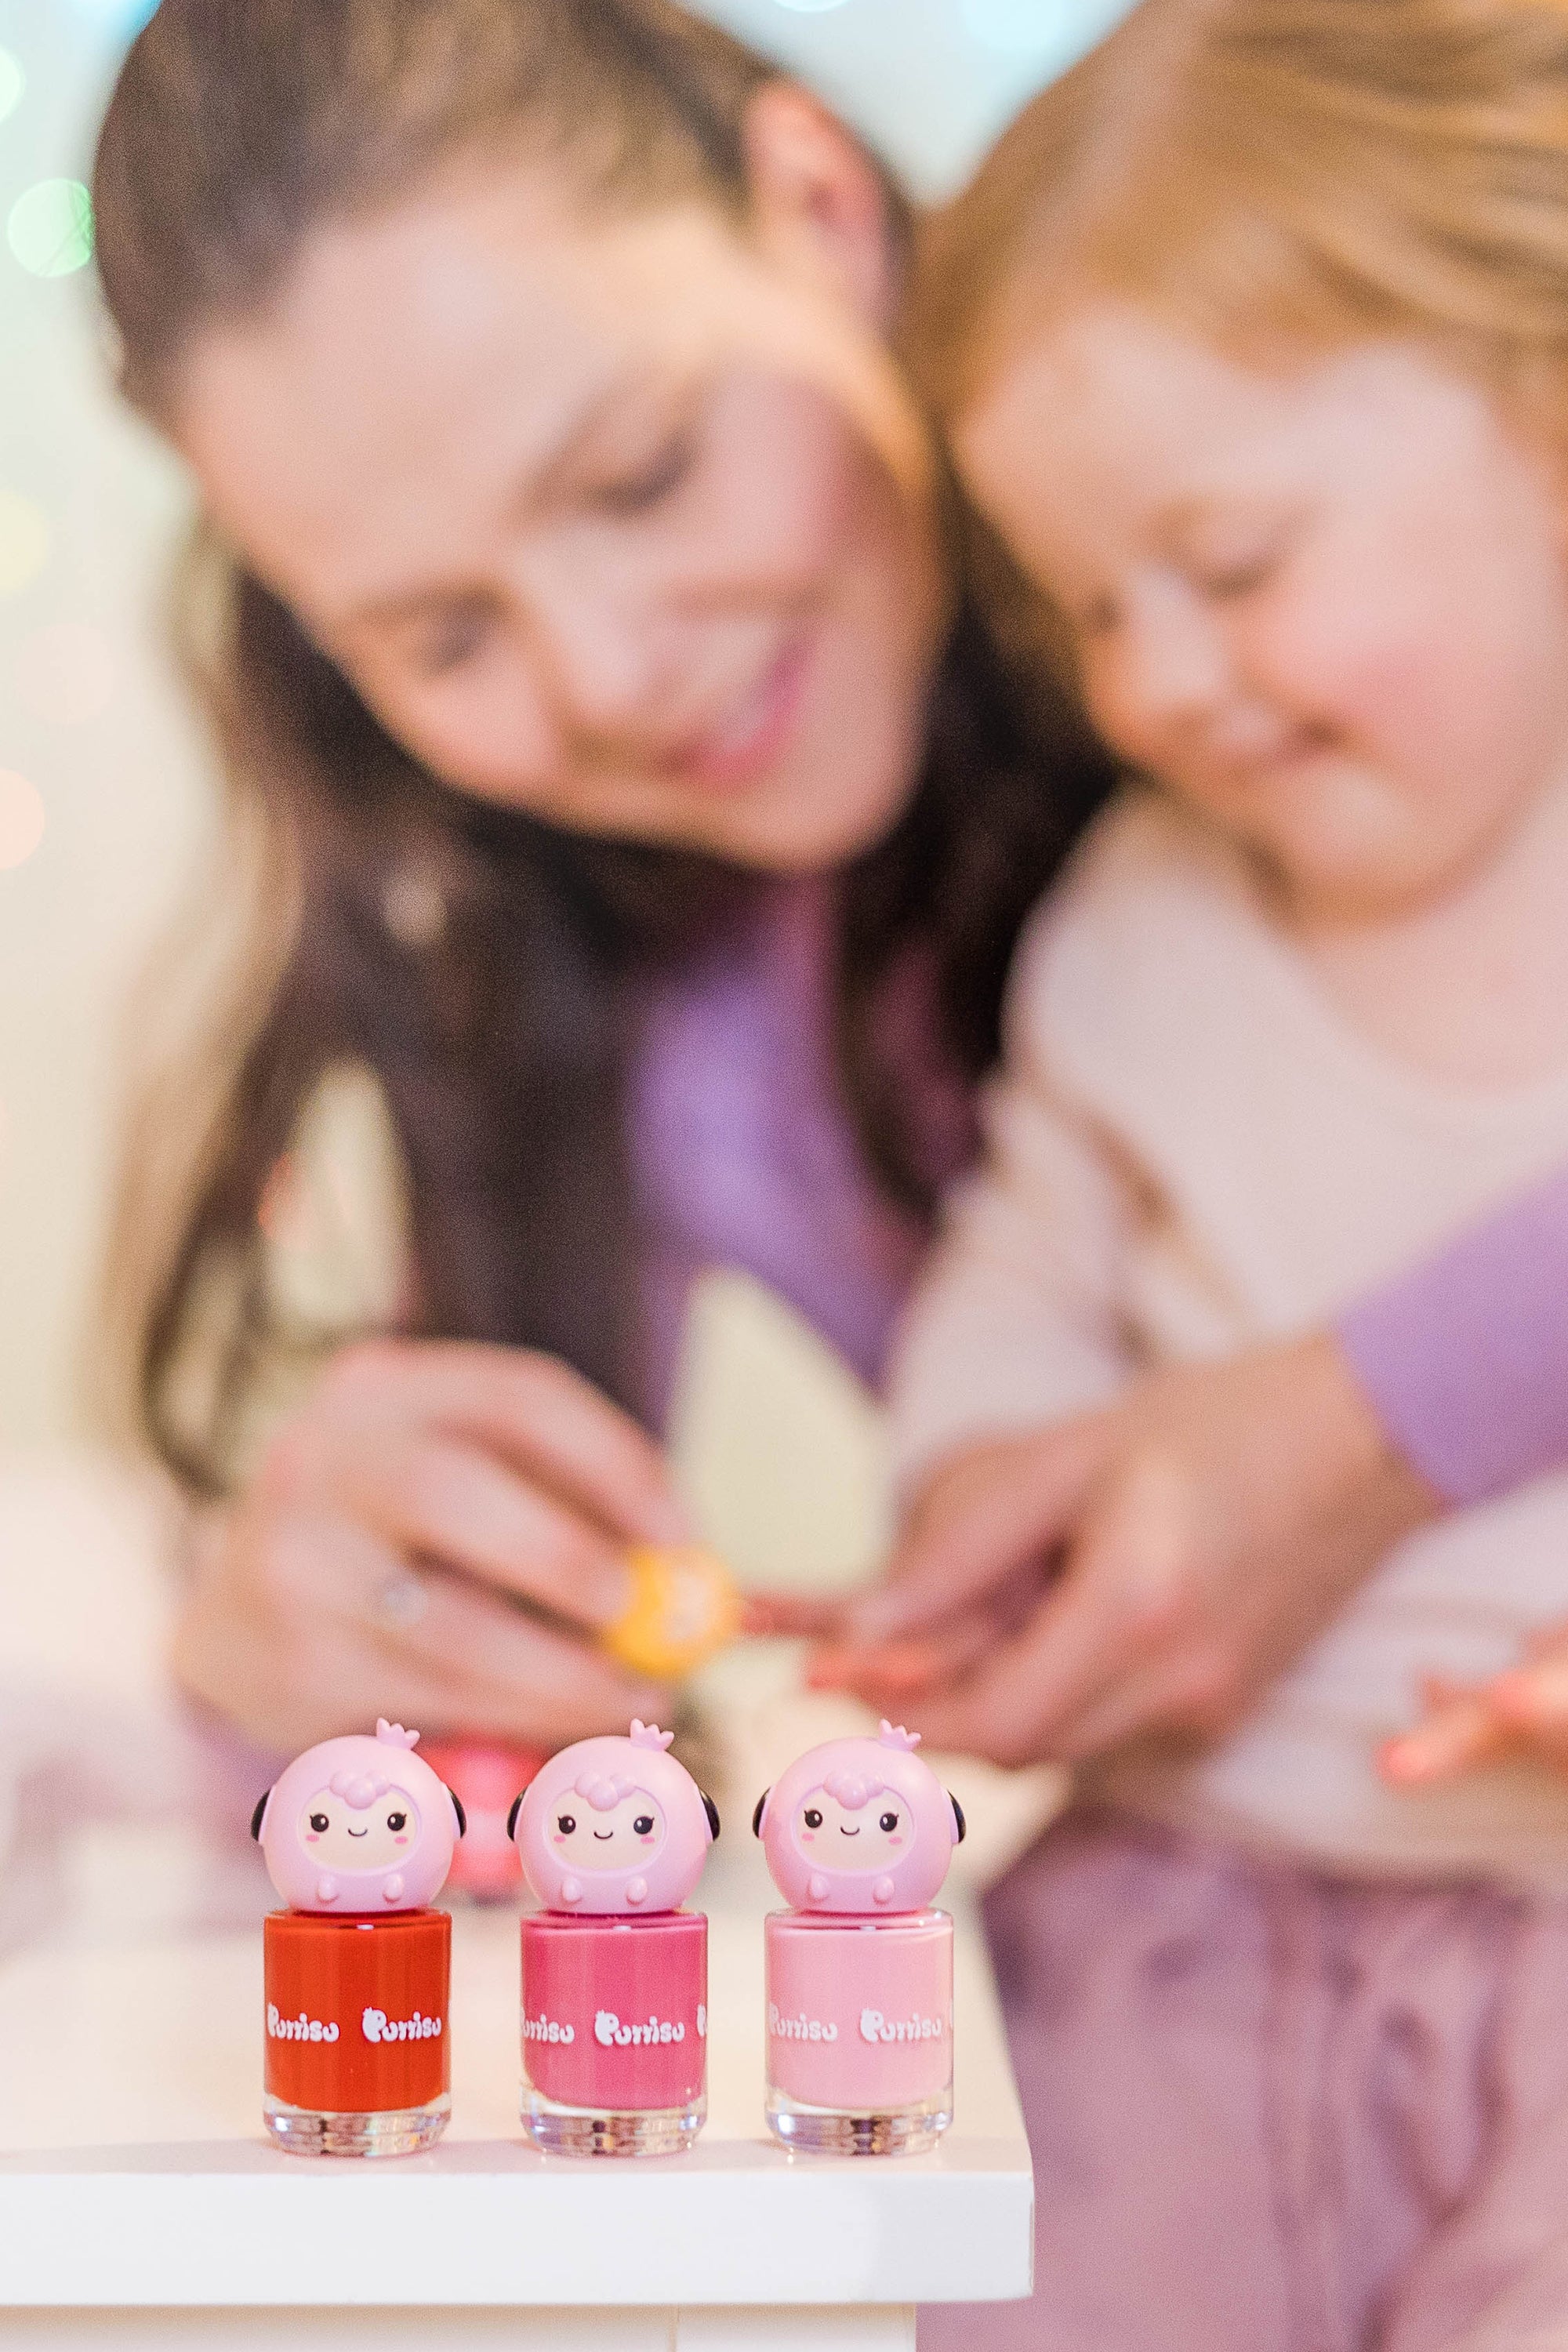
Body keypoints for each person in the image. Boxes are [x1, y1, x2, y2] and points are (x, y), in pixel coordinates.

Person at [87, 0, 1568, 1815]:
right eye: (441, 634)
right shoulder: (636, 1007)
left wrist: (1362, 1423)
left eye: (641, 472)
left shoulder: (1346, 458)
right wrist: (310, 1679)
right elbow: (493, 1750)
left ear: (817, 208)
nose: (612, 673)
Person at [815, 4, 1568, 2344]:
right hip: (1191, 1906)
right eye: (1088, 605)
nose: (1149, 682)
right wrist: (978, 1491)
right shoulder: (1145, 915)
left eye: (1224, 563)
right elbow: (1028, 1264)